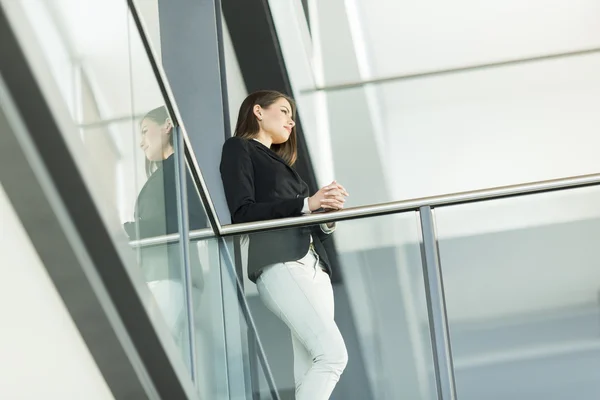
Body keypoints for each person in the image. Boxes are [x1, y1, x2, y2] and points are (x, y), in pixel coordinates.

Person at [220, 90, 350, 400]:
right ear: (258, 112)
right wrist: (307, 203)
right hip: (281, 262)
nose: (291, 120)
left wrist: (325, 217)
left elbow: (305, 218)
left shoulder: (285, 169)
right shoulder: (239, 149)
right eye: (283, 111)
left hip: (316, 268)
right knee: (333, 356)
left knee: (309, 368)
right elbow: (243, 213)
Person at [123, 106, 206, 341]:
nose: (141, 142)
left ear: (167, 126)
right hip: (164, 274)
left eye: (144, 131)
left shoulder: (180, 170)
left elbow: (193, 220)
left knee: (154, 347)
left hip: (170, 275)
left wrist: (132, 230)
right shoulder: (168, 172)